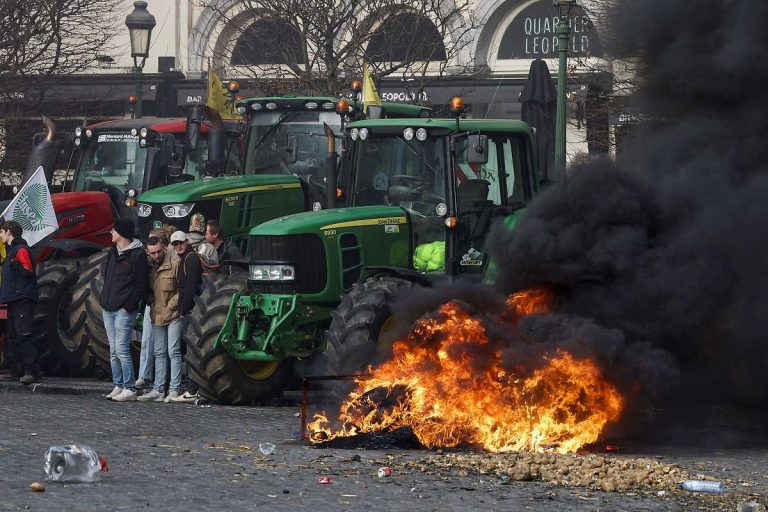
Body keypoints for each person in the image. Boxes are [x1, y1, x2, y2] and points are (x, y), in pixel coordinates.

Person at [101, 218, 149, 402]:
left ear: (122, 233)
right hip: (108, 307)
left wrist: (128, 306)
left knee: (121, 348)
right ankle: (118, 384)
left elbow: (141, 284)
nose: (111, 233)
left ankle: (129, 388)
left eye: (114, 230)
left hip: (123, 310)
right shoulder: (112, 252)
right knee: (113, 350)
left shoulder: (137, 256)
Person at [138, 236, 183, 402]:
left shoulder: (175, 264)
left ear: (163, 248)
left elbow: (182, 289)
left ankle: (174, 389)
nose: (156, 255)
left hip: (173, 314)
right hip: (156, 314)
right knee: (159, 352)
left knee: (173, 352)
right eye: (153, 253)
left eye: (158, 251)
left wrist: (171, 306)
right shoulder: (147, 267)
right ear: (147, 252)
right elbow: (144, 287)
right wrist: (149, 299)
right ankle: (158, 389)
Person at [0, 220, 41, 383]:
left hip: (22, 299)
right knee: (13, 336)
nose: (0, 235)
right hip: (13, 298)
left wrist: (16, 265)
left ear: (9, 232)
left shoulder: (21, 250)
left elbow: (28, 271)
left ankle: (32, 371)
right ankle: (17, 369)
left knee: (24, 335)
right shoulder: (12, 251)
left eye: (2, 232)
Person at [168, 230, 204, 403]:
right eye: (175, 244)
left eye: (180, 243)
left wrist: (182, 310)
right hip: (187, 309)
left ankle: (192, 389)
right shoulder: (186, 258)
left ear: (187, 242)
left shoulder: (191, 259)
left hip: (190, 311)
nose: (178, 246)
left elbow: (190, 287)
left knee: (189, 351)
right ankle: (189, 387)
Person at [136, 228, 173, 390]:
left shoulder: (171, 261)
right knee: (149, 341)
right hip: (152, 304)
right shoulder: (146, 262)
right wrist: (150, 300)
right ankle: (145, 375)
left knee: (168, 348)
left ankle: (162, 382)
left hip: (168, 306)